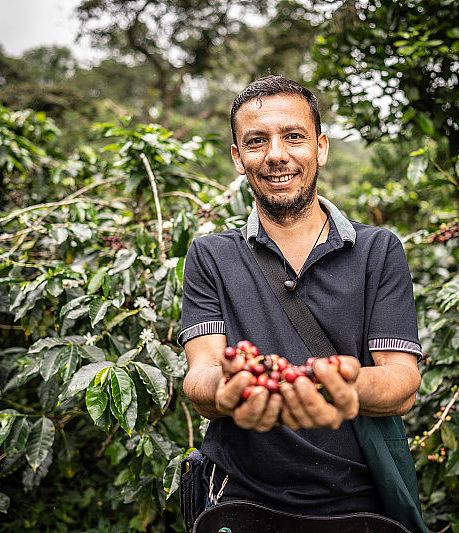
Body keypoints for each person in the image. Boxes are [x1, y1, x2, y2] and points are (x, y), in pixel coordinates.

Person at [178, 75, 423, 528]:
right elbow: (202, 374)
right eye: (256, 141)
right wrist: (228, 388)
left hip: (356, 503)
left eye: (293, 137)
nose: (276, 155)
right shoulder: (210, 255)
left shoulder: (378, 251)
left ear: (321, 147)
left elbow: (402, 382)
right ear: (238, 158)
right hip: (240, 499)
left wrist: (343, 386)